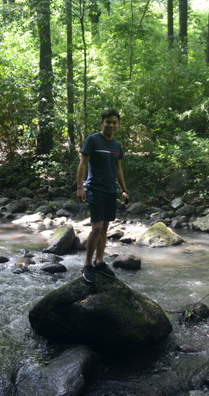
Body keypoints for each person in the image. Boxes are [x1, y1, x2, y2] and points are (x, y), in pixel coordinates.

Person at [76, 109, 129, 283]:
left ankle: (99, 262)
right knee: (96, 227)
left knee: (105, 227)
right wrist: (80, 187)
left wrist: (124, 189)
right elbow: (83, 164)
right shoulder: (92, 140)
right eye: (108, 122)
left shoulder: (117, 145)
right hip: (94, 188)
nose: (111, 125)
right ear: (102, 123)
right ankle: (87, 265)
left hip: (110, 190)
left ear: (118, 125)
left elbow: (119, 169)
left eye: (114, 122)